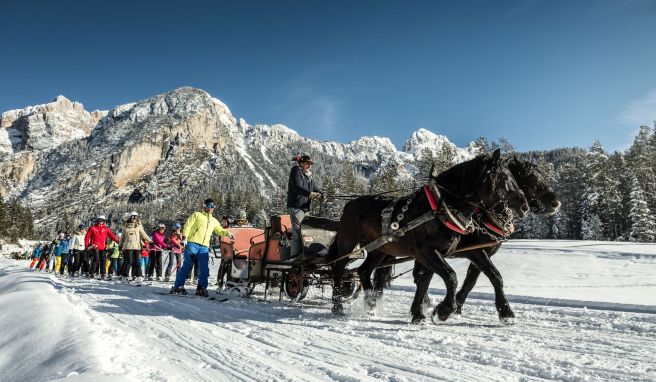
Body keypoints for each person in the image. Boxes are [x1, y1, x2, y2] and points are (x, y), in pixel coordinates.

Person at [171, 198, 233, 297]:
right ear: (204, 206)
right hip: (192, 243)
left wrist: (227, 233)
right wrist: (185, 238)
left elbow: (219, 230)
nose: (210, 208)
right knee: (187, 265)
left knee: (204, 269)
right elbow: (187, 225)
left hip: (204, 247)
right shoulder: (197, 215)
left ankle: (201, 288)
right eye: (208, 206)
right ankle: (178, 286)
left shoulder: (214, 221)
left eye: (212, 207)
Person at [286, 154, 324, 259]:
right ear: (301, 163)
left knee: (306, 233)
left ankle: (304, 256)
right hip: (296, 207)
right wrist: (310, 194)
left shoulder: (308, 176)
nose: (308, 166)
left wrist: (321, 194)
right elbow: (297, 187)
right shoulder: (296, 171)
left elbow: (315, 188)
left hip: (305, 208)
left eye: (310, 164)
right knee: (298, 233)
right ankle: (294, 257)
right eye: (307, 163)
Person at [119, 211, 151, 285]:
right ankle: (125, 277)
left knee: (137, 262)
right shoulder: (125, 227)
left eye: (136, 217)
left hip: (137, 247)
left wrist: (150, 241)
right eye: (133, 217)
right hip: (128, 247)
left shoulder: (139, 226)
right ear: (130, 217)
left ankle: (138, 277)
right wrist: (120, 246)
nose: (134, 218)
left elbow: (144, 235)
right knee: (128, 262)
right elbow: (122, 238)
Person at [84, 215, 119, 280]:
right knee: (96, 260)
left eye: (102, 221)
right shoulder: (92, 228)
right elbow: (87, 237)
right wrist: (86, 245)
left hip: (103, 247)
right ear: (97, 221)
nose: (101, 222)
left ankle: (103, 274)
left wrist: (118, 241)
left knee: (103, 261)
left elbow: (112, 236)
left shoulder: (106, 229)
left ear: (104, 221)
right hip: (95, 247)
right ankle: (91, 273)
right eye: (100, 220)